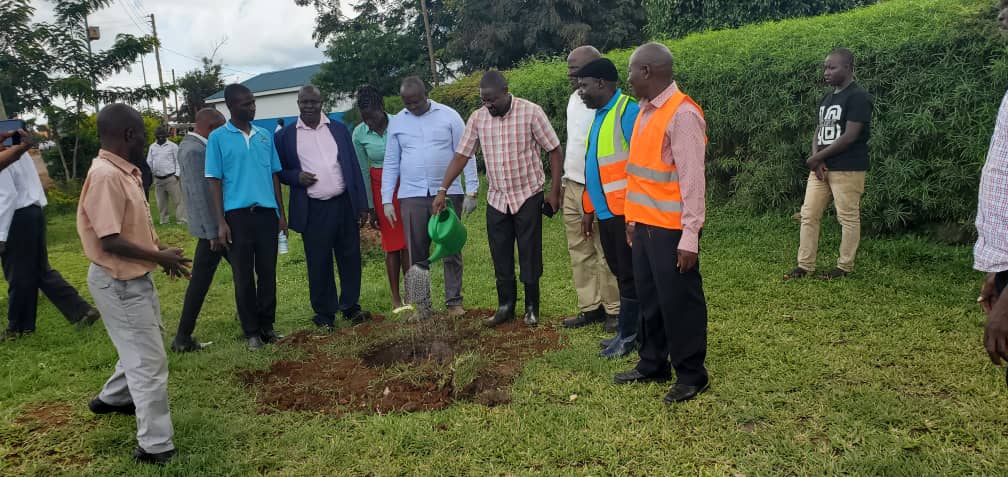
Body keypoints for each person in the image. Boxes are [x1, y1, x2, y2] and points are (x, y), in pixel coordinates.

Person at [78, 103, 192, 465]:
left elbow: (134, 228)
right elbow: (109, 239)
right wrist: (160, 258)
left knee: (143, 347)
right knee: (148, 361)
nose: (147, 139)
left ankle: (113, 399)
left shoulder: (125, 172)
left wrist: (159, 250)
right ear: (129, 135)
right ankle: (155, 446)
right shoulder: (106, 176)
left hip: (133, 277)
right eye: (142, 132)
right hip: (118, 280)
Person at [611, 43, 710, 404]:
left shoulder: (681, 115)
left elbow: (693, 181)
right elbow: (639, 175)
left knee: (679, 302)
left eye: (632, 72)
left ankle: (692, 374)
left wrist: (690, 236)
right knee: (651, 300)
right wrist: (633, 220)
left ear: (648, 72)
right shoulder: (644, 111)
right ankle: (652, 362)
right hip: (645, 227)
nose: (629, 80)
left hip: (671, 231)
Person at [433, 71, 563, 328]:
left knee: (529, 253)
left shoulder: (531, 112)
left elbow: (554, 150)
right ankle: (505, 306)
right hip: (497, 199)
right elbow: (461, 156)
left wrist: (554, 191)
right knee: (500, 255)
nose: (488, 105)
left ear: (505, 91)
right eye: (484, 100)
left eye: (492, 100)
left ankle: (531, 308)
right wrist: (442, 189)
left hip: (527, 195)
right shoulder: (478, 118)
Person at [276, 85, 371, 329]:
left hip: (343, 204)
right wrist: (296, 176)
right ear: (298, 103)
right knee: (319, 262)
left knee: (350, 257)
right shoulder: (285, 136)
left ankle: (350, 306)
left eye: (313, 102)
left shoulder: (338, 129)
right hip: (313, 209)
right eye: (304, 102)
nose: (309, 106)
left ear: (322, 103)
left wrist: (362, 205)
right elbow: (279, 172)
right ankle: (325, 315)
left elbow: (352, 167)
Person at [383, 76, 478, 318]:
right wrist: (386, 199)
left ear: (426, 95)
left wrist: (472, 190)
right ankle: (421, 305)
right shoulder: (397, 123)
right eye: (407, 103)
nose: (412, 107)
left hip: (448, 192)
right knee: (416, 252)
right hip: (411, 195)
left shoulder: (449, 116)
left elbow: (465, 152)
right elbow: (392, 161)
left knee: (450, 248)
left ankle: (454, 302)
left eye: (416, 102)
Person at [206, 84, 288, 350]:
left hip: (266, 214)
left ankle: (267, 326)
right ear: (231, 107)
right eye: (246, 104)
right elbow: (214, 181)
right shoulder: (218, 138)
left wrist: (281, 213)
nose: (252, 107)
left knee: (267, 273)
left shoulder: (265, 136)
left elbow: (274, 175)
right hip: (237, 216)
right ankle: (251, 331)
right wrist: (221, 222)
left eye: (253, 102)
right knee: (243, 276)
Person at [785, 48, 872, 280]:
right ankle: (804, 265)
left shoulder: (858, 97)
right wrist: (817, 159)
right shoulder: (827, 98)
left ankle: (844, 267)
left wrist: (817, 158)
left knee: (847, 217)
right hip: (821, 168)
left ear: (848, 68)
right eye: (825, 67)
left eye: (832, 67)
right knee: (808, 214)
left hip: (848, 167)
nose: (827, 72)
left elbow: (850, 136)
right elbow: (819, 130)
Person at [575, 57, 642, 358]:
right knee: (620, 271)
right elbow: (596, 168)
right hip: (606, 213)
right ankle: (626, 332)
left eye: (585, 85)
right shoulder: (600, 115)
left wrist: (634, 213)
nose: (581, 91)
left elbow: (641, 166)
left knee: (629, 274)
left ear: (602, 83)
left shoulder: (627, 112)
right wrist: (589, 209)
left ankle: (630, 336)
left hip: (625, 212)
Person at [0, 151, 100, 339]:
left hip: (16, 216)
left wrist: (1, 235)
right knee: (39, 272)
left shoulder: (5, 151)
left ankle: (17, 328)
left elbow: (6, 195)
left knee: (18, 273)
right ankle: (82, 310)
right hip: (31, 212)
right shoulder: (18, 147)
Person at [560, 46, 621, 332]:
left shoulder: (604, 102)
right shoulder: (575, 98)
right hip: (571, 184)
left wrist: (590, 195)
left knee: (604, 247)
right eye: (570, 69)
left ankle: (614, 309)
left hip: (596, 188)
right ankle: (590, 306)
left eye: (576, 68)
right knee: (579, 248)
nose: (571, 74)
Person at [171, 108, 228, 352]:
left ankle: (183, 337)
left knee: (202, 280)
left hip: (212, 229)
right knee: (240, 273)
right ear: (212, 129)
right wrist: (214, 232)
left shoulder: (193, 147)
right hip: (213, 231)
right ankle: (182, 337)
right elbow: (200, 194)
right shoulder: (195, 151)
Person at [352, 85, 410, 309]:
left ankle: (412, 293)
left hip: (405, 186)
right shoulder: (358, 134)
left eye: (373, 117)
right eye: (365, 118)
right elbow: (363, 171)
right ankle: (396, 298)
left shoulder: (401, 123)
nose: (370, 123)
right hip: (379, 190)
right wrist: (369, 205)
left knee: (408, 244)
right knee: (392, 245)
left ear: (382, 108)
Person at [146, 127, 187, 225]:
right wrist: (151, 174)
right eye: (158, 136)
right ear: (156, 136)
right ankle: (164, 220)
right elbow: (149, 161)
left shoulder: (173, 146)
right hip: (158, 179)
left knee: (178, 201)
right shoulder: (152, 147)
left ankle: (181, 219)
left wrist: (177, 175)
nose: (160, 138)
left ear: (166, 136)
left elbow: (178, 161)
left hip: (171, 177)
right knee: (161, 203)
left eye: (162, 136)